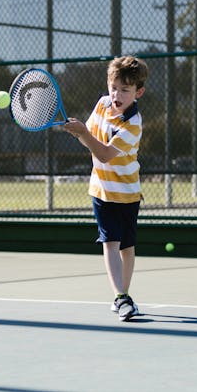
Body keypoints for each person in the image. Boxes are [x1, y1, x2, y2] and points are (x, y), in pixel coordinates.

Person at [63, 55, 148, 322]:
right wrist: (80, 133)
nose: (117, 94)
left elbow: (104, 154)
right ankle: (121, 297)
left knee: (127, 248)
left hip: (128, 191)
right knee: (110, 242)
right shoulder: (101, 105)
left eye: (125, 89)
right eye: (114, 87)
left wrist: (83, 134)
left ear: (138, 92)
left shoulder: (133, 124)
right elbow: (89, 142)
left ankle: (123, 293)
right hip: (101, 190)